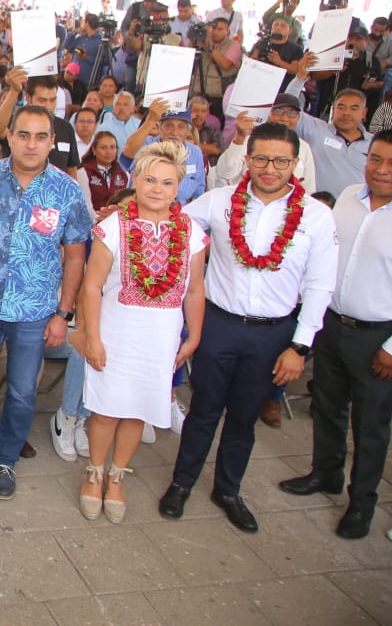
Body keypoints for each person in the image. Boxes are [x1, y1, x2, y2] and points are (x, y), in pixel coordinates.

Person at [160, 122, 338, 533]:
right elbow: (172, 222)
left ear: (295, 164)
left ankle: (228, 490)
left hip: (272, 334)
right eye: (261, 158)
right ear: (248, 159)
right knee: (203, 410)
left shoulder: (316, 216)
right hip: (219, 325)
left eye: (280, 161)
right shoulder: (219, 201)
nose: (270, 168)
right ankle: (181, 483)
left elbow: (320, 285)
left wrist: (300, 347)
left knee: (243, 417)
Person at [0, 105, 92, 499]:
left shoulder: (66, 190)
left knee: (21, 391)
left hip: (34, 312)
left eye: (40, 136)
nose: (31, 144)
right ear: (10, 137)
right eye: (23, 135)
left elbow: (75, 257)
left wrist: (63, 313)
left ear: (52, 142)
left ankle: (6, 459)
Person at [75, 142, 207, 523]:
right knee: (107, 410)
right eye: (149, 180)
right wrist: (92, 337)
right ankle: (94, 472)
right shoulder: (113, 226)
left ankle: (117, 476)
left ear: (178, 186)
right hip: (116, 333)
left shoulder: (192, 232)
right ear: (135, 180)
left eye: (167, 183)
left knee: (138, 411)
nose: (157, 189)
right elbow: (91, 287)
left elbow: (195, 290)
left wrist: (194, 336)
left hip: (161, 338)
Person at [278, 130, 392, 540]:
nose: (381, 170)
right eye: (375, 159)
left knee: (370, 424)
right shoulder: (346, 197)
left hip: (377, 337)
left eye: (391, 163)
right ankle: (325, 473)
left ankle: (361, 502)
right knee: (327, 405)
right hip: (331, 323)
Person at [77, 131, 129, 214]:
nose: (109, 152)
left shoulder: (124, 174)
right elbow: (85, 206)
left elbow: (128, 204)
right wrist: (101, 220)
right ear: (94, 150)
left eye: (112, 147)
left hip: (118, 219)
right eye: (104, 148)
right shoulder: (83, 173)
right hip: (93, 219)